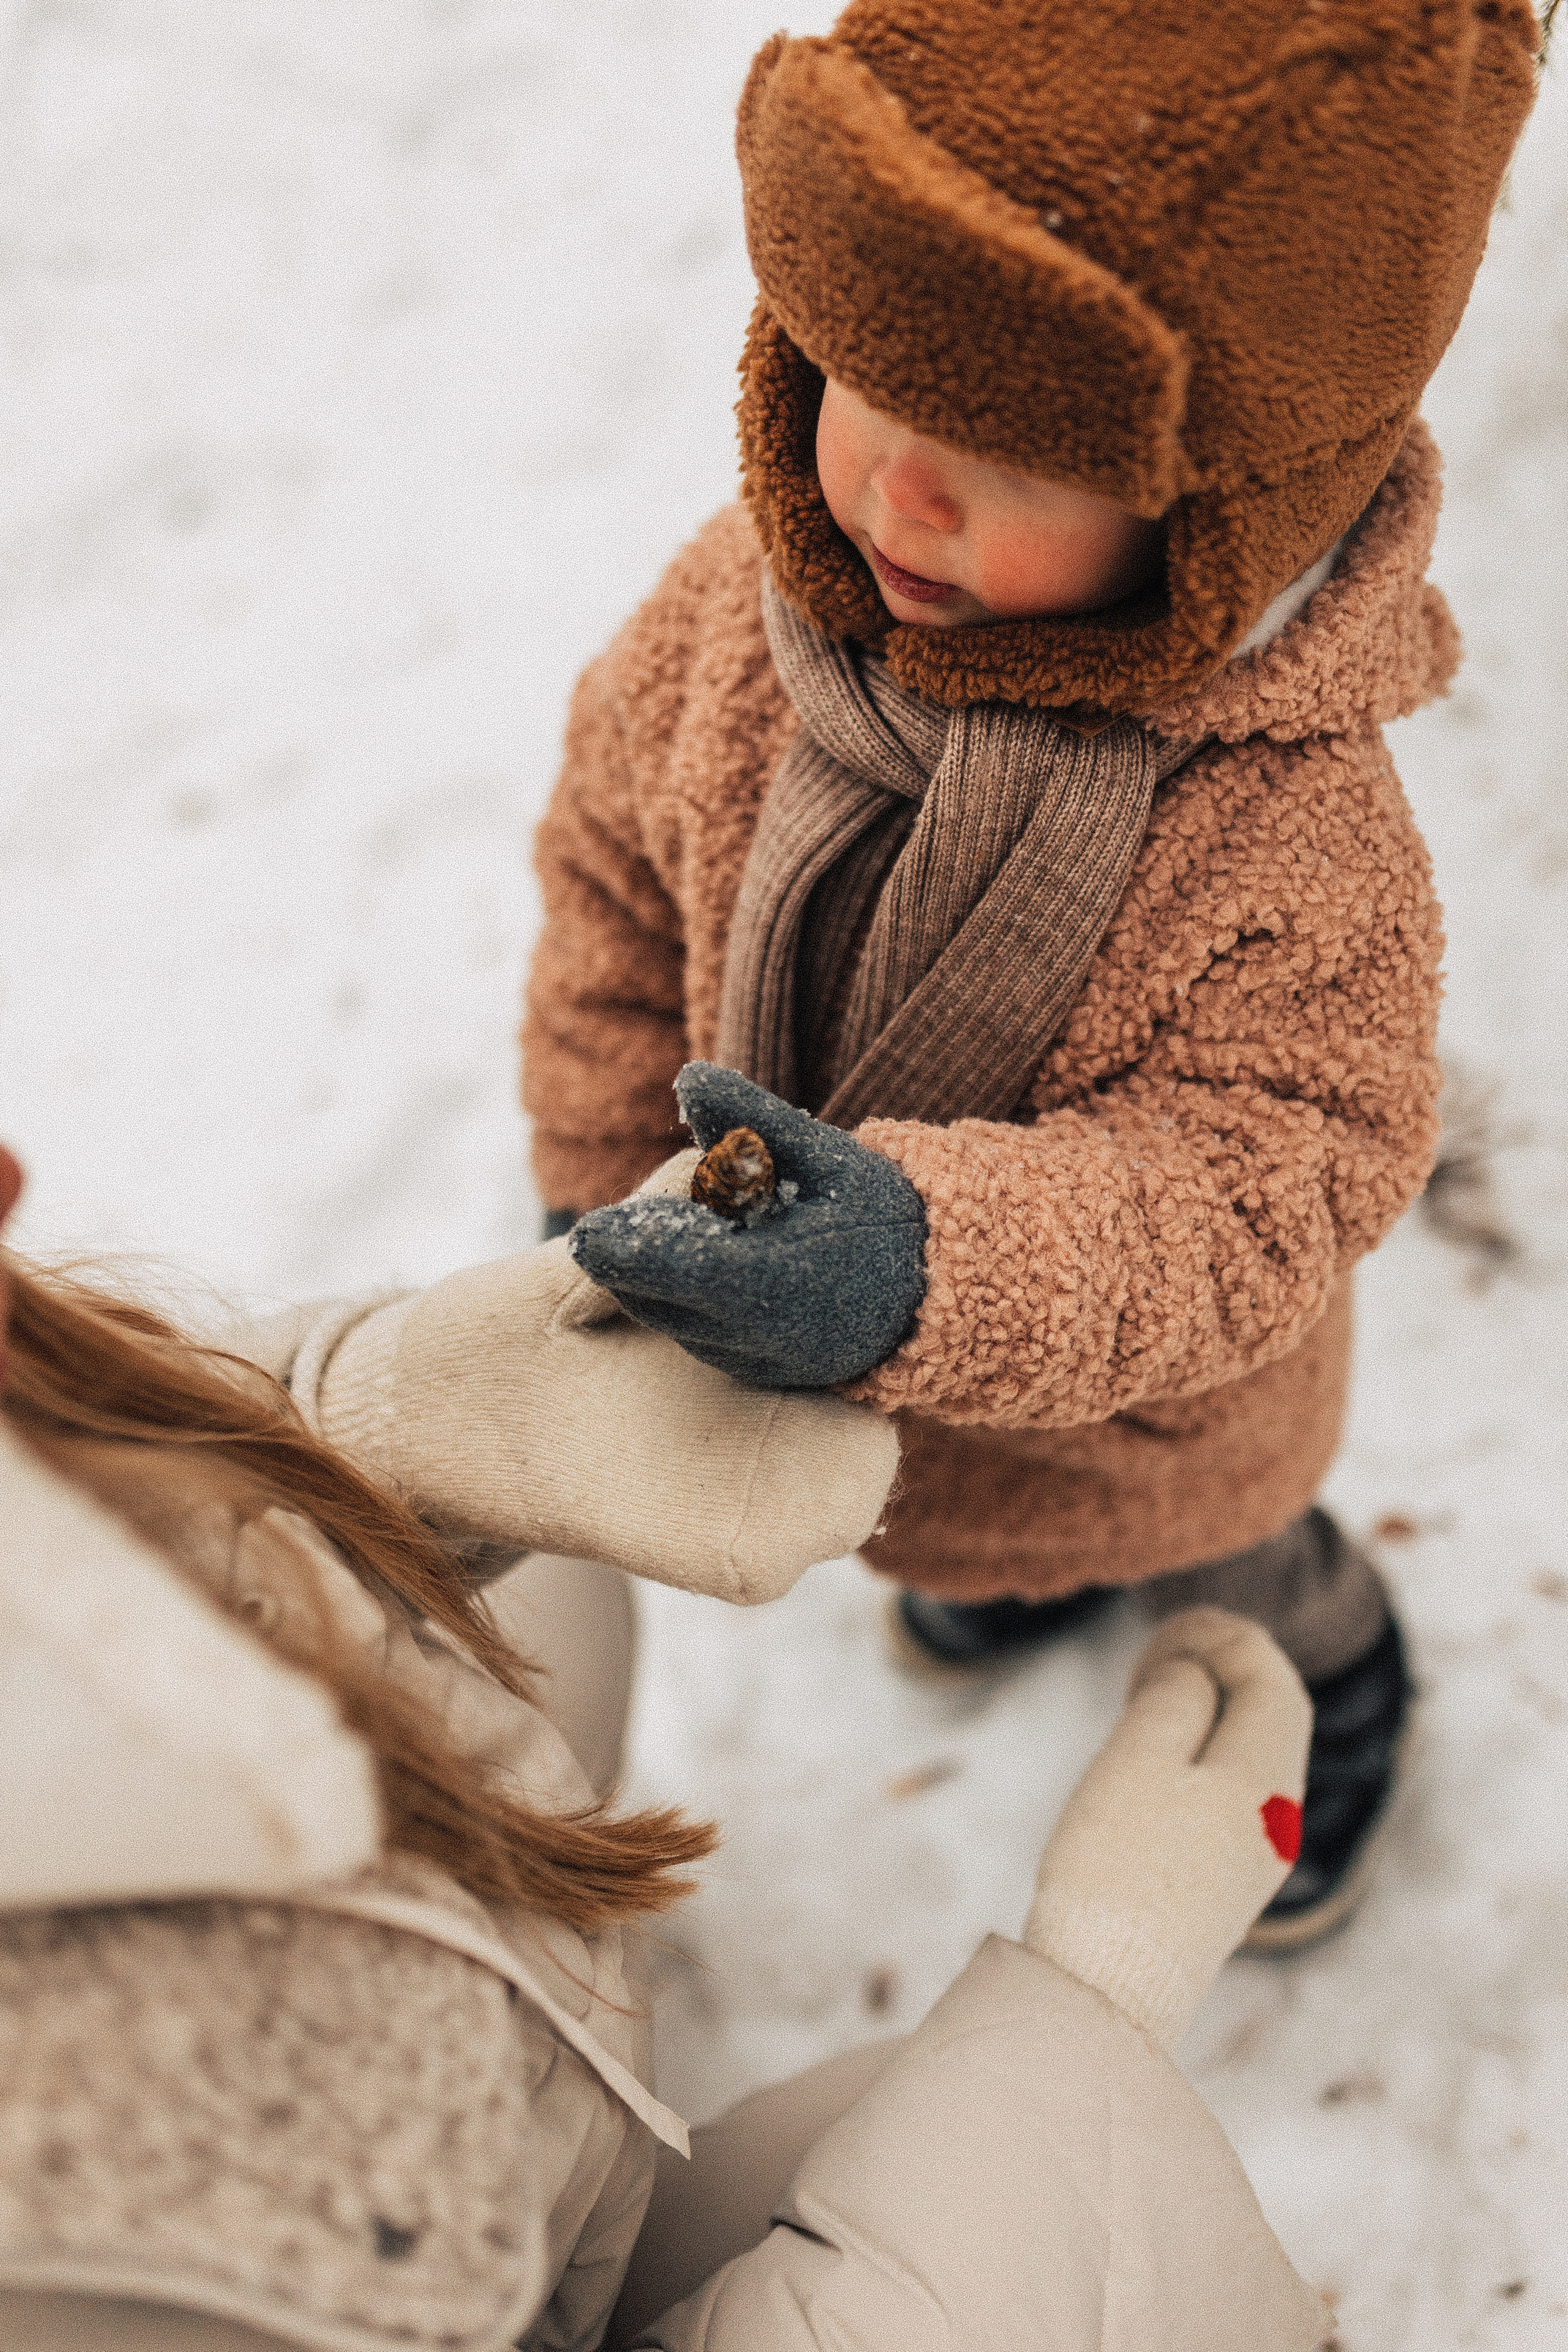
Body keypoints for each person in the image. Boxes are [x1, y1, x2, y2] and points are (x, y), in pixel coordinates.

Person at [522, 0, 1542, 1946]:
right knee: (946, 1514)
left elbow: (1273, 1183)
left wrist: (923, 1269)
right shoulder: (732, 632)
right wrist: (592, 1162)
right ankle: (998, 1561)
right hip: (840, 1383)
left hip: (1154, 1419)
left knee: (1219, 1551)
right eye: (872, 391)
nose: (899, 497)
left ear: (1226, 520)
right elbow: (612, 889)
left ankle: (1312, 1660)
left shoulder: (1285, 833)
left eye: (1013, 460)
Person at [0, 1142, 1332, 2349]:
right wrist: (1106, 1972)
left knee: (547, 1594)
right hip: (487, 2265)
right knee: (1024, 2178)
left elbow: (104, 1460)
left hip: (481, 2072)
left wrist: (392, 1412)